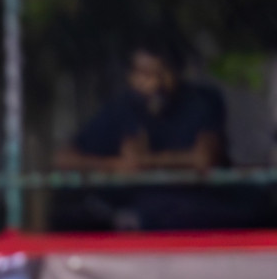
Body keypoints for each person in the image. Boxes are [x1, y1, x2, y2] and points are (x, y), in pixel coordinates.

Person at [54, 41, 238, 230]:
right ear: (131, 76)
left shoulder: (201, 102)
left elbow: (204, 160)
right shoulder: (121, 108)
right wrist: (112, 164)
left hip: (193, 215)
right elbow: (64, 159)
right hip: (132, 218)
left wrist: (145, 161)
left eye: (162, 72)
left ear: (177, 72)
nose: (154, 82)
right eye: (144, 73)